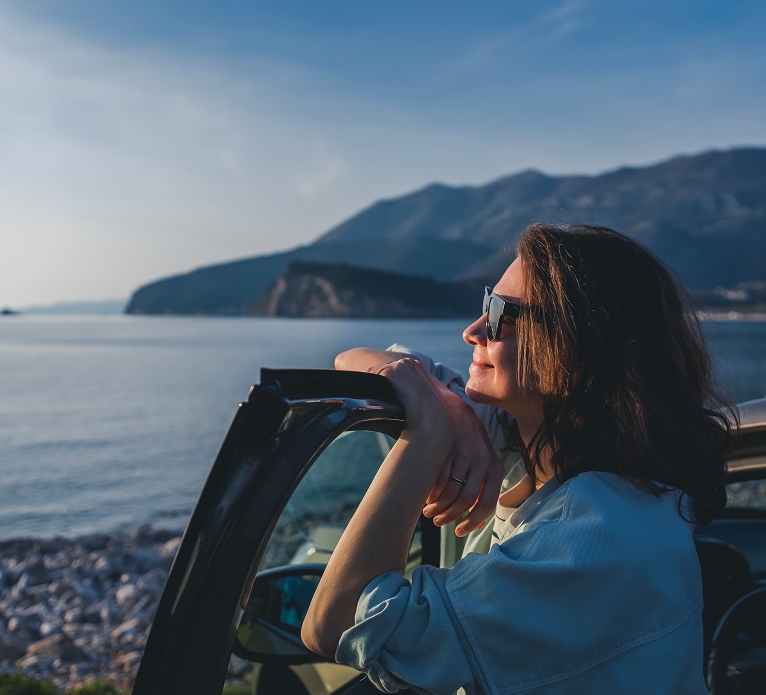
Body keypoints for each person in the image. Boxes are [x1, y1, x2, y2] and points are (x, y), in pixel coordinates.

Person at [301, 224, 732, 694]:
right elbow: (351, 359)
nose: (472, 332)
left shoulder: (593, 542)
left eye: (500, 313)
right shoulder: (520, 436)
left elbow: (334, 625)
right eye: (488, 302)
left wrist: (426, 437)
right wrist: (453, 410)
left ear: (577, 347)